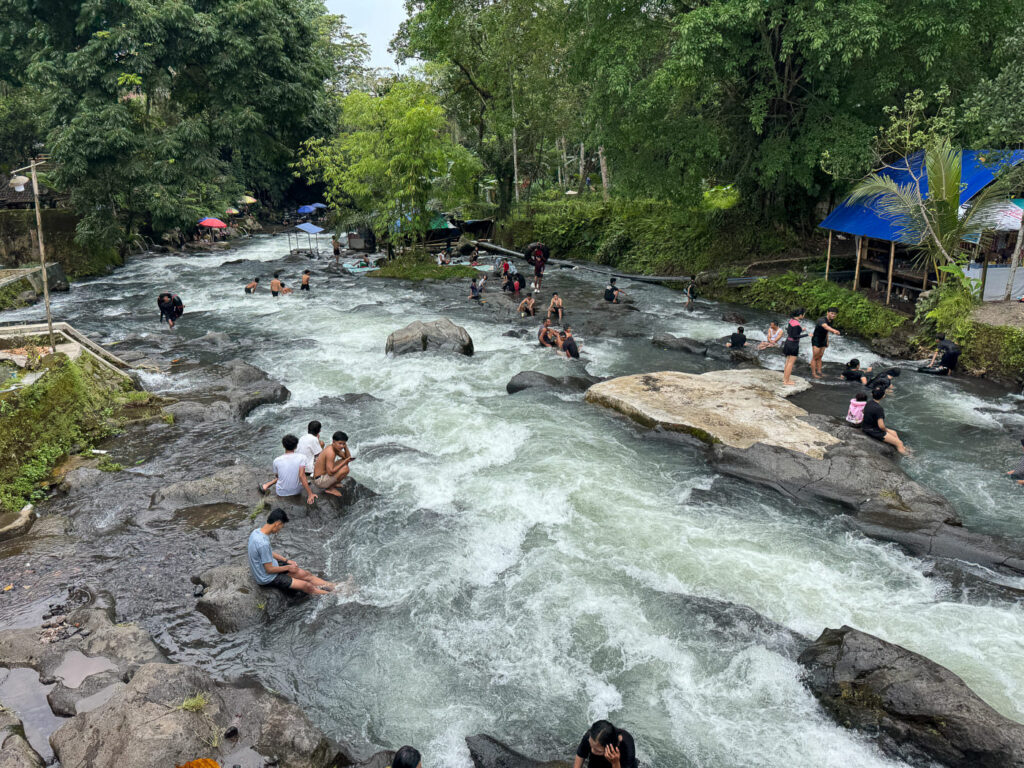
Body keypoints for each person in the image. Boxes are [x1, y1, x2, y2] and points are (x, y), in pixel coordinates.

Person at [247, 508, 335, 596]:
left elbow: (268, 553)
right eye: (281, 526)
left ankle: (333, 586)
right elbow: (269, 570)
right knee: (307, 586)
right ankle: (335, 594)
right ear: (277, 523)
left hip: (272, 566)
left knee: (305, 574)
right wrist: (288, 567)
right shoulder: (263, 543)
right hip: (267, 578)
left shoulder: (257, 532)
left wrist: (287, 561)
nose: (279, 530)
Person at [259, 434, 316, 504]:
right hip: (296, 491)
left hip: (280, 492)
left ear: (283, 446)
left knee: (284, 475)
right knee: (297, 474)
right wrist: (310, 494)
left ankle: (266, 485)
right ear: (296, 446)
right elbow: (301, 475)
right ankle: (266, 485)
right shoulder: (302, 457)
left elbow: (278, 476)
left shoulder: (276, 460)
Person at [861, 385, 907, 455]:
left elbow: (863, 412)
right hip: (873, 431)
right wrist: (886, 430)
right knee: (899, 443)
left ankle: (903, 448)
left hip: (866, 427)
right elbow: (881, 426)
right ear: (883, 396)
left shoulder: (869, 402)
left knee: (894, 432)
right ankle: (909, 457)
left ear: (872, 394)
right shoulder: (879, 409)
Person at [573, 720, 637, 768]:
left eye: (597, 750)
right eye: (591, 745)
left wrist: (615, 763)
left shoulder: (626, 744)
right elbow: (580, 755)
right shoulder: (590, 736)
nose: (592, 751)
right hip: (598, 759)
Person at [313, 431, 354, 497]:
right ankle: (330, 488)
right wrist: (345, 462)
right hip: (319, 480)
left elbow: (347, 457)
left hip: (324, 474)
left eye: (343, 444)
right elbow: (330, 472)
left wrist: (345, 446)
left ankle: (333, 483)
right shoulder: (330, 452)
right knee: (345, 468)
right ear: (333, 442)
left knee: (343, 461)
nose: (342, 446)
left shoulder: (334, 447)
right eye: (340, 443)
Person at [810, 307, 840, 379]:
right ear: (827, 313)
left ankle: (819, 372)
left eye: (835, 314)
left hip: (823, 339)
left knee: (820, 356)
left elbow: (826, 332)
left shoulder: (831, 321)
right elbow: (825, 327)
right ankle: (814, 374)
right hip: (816, 339)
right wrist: (834, 331)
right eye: (832, 313)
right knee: (815, 357)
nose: (833, 315)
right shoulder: (821, 320)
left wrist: (827, 341)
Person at [782, 308, 807, 386]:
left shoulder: (791, 321)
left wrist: (801, 330)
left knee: (787, 361)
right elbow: (795, 336)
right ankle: (786, 381)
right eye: (803, 314)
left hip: (788, 342)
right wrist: (807, 335)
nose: (804, 316)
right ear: (800, 315)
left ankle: (785, 378)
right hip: (793, 344)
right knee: (791, 363)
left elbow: (790, 332)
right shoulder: (797, 324)